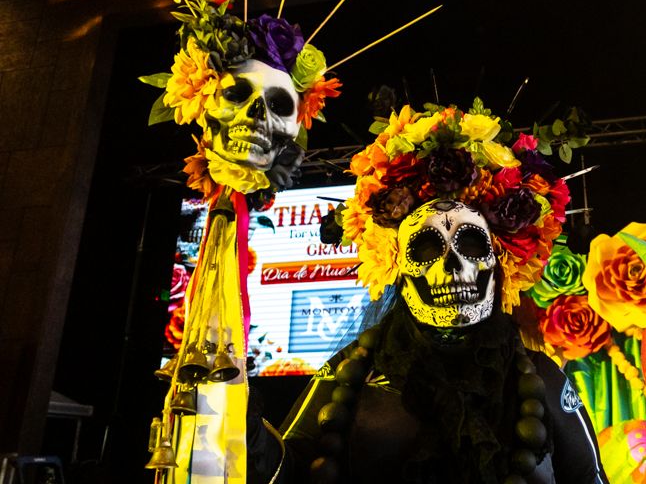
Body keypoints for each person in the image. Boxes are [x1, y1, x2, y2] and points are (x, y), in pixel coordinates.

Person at [246, 109, 610, 483]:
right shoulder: (351, 373)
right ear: (400, 270)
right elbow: (289, 471)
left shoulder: (539, 377)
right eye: (425, 250)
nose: (452, 266)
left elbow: (589, 477)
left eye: (470, 244)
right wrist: (246, 425)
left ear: (497, 264)